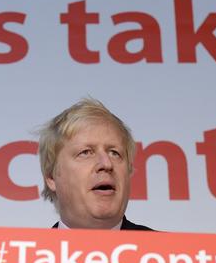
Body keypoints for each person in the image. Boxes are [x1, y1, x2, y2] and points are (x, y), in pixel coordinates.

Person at [37, 98, 152, 231]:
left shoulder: (172, 250)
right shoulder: (25, 251)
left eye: (114, 153)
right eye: (85, 152)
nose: (106, 164)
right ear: (51, 177)